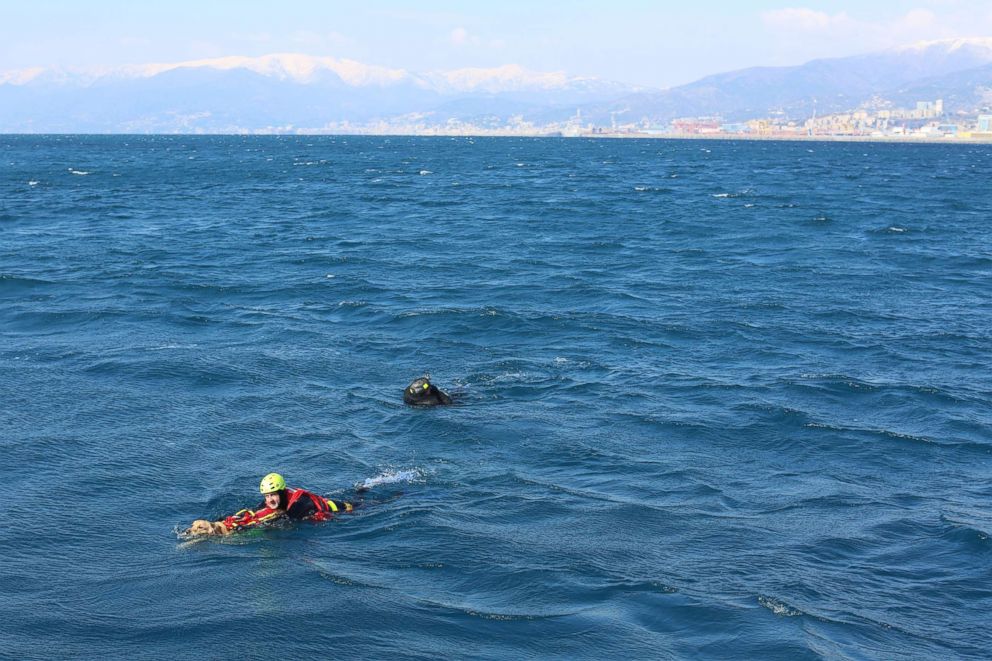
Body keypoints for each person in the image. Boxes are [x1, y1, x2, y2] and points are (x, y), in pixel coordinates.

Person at [185, 472, 354, 536]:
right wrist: (226, 521)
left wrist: (249, 529)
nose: (269, 500)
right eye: (266, 496)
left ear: (281, 492)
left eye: (273, 495)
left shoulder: (299, 504)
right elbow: (255, 513)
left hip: (342, 510)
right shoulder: (272, 502)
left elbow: (283, 521)